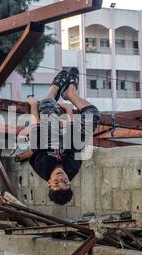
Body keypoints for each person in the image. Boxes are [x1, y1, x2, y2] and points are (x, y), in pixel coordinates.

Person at [26, 68, 101, 205]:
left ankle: (54, 89)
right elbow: (73, 140)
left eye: (56, 182)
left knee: (47, 107)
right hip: (67, 139)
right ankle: (71, 93)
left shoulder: (42, 166)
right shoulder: (73, 168)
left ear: (49, 183)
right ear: (70, 183)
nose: (61, 178)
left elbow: (35, 132)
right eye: (65, 182)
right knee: (93, 114)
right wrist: (68, 111)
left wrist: (33, 106)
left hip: (46, 137)